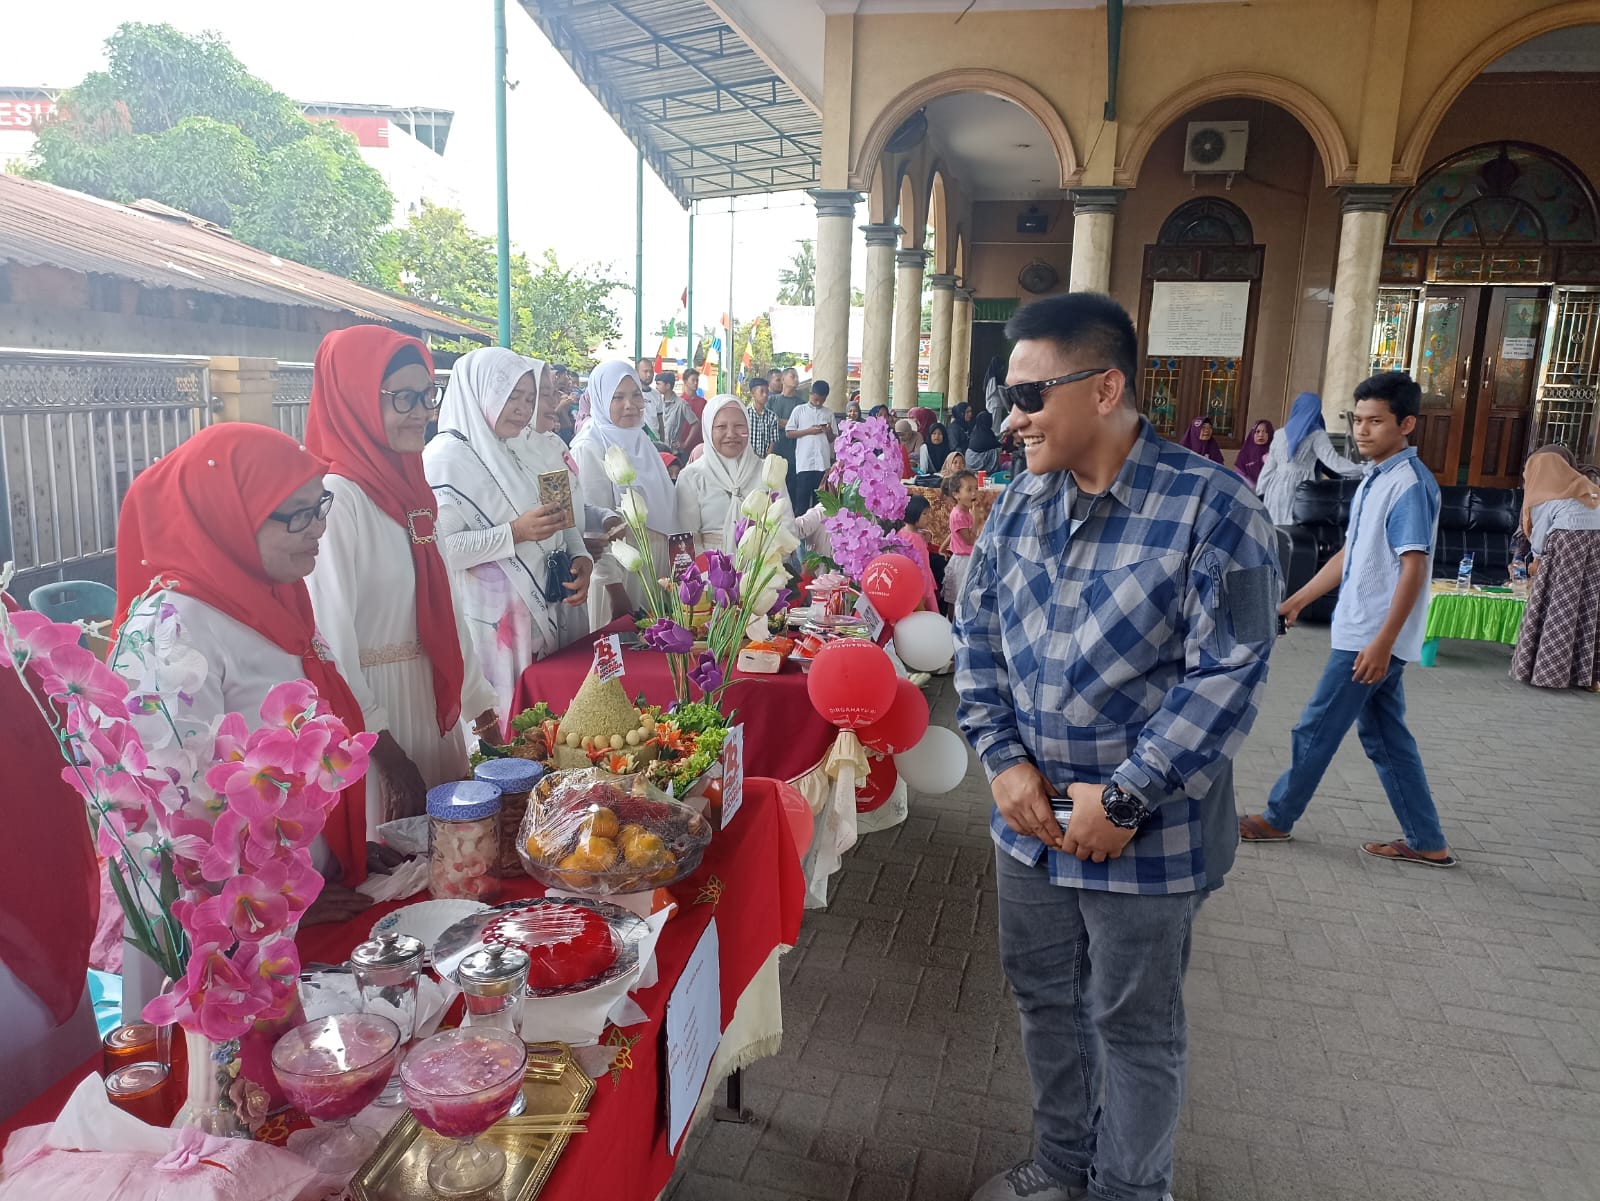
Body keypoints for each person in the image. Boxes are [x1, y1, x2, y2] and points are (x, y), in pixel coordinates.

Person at [955, 292, 1278, 1201]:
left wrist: (1128, 797)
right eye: (1004, 398)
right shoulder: (1021, 505)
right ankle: (1061, 1165)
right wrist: (1004, 762)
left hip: (1150, 840)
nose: (1011, 419)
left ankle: (1131, 1188)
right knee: (1046, 1006)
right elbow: (976, 638)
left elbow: (1233, 669)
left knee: (1133, 1024)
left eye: (1028, 396)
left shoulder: (1216, 508)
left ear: (1105, 387)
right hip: (1028, 829)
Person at [111, 422, 380, 923]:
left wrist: (340, 850)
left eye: (319, 506)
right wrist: (271, 903)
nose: (318, 527)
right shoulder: (173, 629)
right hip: (229, 925)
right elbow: (179, 810)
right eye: (299, 515)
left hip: (302, 887)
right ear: (228, 515)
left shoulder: (274, 593)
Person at [1239, 371, 1456, 867]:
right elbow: (1350, 554)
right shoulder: (1376, 478)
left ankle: (1277, 817)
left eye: (1375, 422)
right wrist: (1297, 599)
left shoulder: (1407, 484)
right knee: (1385, 736)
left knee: (1316, 727)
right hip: (1365, 632)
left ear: (1406, 424)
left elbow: (1414, 568)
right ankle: (1427, 841)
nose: (1362, 431)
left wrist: (1383, 642)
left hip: (1370, 638)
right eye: (1357, 420)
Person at [304, 326, 500, 826]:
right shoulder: (338, 499)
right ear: (355, 401)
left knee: (458, 858)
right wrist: (385, 755)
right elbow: (328, 639)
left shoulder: (413, 490)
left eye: (426, 395)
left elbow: (445, 609)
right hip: (373, 721)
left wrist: (483, 713)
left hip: (430, 705)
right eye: (403, 399)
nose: (422, 412)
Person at [424, 348, 594, 723]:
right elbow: (439, 550)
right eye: (512, 397)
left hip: (545, 614)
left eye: (529, 398)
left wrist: (582, 557)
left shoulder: (531, 449)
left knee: (545, 725)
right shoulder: (446, 458)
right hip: (490, 626)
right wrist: (513, 533)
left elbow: (562, 522)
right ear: (480, 392)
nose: (524, 408)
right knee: (506, 729)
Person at [570, 360, 679, 627]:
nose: (630, 405)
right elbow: (593, 527)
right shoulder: (590, 446)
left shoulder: (643, 442)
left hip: (654, 571)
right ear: (599, 398)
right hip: (617, 575)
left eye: (635, 395)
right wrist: (614, 590)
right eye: (617, 397)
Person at [1510, 444, 1600, 690]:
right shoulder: (1588, 487)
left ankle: (1550, 673)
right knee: (1590, 607)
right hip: (1596, 550)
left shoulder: (1545, 495)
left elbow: (1539, 535)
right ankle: (1589, 676)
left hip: (1565, 546)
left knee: (1558, 606)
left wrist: (1537, 560)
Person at [677, 394, 793, 554]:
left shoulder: (767, 471)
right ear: (708, 430)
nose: (731, 434)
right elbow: (685, 539)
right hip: (709, 572)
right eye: (721, 427)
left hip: (761, 570)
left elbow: (785, 525)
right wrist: (710, 576)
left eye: (739, 426)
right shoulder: (692, 477)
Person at [1255, 391, 1364, 524]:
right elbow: (1334, 462)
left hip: (1275, 488)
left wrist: (1260, 492)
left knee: (1275, 530)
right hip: (1301, 488)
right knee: (1295, 531)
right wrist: (1362, 469)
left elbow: (1269, 468)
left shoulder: (1279, 434)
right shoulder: (1317, 435)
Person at [787, 379, 838, 513]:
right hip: (804, 464)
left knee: (820, 504)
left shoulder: (829, 413)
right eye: (816, 399)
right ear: (811, 394)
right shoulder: (799, 411)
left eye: (822, 400)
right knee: (802, 503)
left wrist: (828, 432)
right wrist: (809, 431)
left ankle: (817, 531)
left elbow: (833, 438)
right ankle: (800, 531)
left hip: (822, 464)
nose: (818, 403)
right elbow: (789, 433)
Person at [896, 494, 942, 615]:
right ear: (913, 514)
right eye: (925, 514)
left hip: (924, 579)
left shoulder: (912, 534)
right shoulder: (910, 538)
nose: (929, 517)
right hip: (918, 583)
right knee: (924, 612)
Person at [939, 469, 979, 607]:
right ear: (956, 495)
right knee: (957, 599)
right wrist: (976, 521)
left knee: (964, 596)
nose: (974, 493)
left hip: (968, 558)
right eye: (969, 490)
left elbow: (953, 533)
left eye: (976, 488)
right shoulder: (959, 515)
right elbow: (969, 540)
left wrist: (942, 548)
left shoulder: (965, 512)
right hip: (963, 562)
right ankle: (953, 625)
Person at [745, 379, 782, 460]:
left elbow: (773, 440)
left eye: (767, 392)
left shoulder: (772, 416)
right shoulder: (745, 414)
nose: (765, 395)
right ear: (753, 394)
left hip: (765, 459)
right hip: (747, 458)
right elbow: (743, 437)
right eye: (761, 391)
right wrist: (754, 455)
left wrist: (766, 457)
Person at [1233, 418, 1273, 489]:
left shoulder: (1273, 453)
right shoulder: (1244, 454)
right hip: (1247, 492)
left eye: (1265, 431)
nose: (1261, 435)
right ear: (1253, 433)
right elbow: (1238, 476)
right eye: (1257, 431)